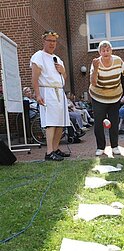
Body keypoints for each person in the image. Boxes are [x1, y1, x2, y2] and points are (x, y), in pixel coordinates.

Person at [89, 40, 124, 156]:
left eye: (108, 50)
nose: (106, 52)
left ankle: (115, 146)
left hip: (114, 96)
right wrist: (95, 68)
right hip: (98, 96)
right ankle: (100, 147)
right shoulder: (96, 63)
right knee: (99, 122)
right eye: (103, 50)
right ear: (99, 52)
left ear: (111, 50)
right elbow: (93, 82)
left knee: (114, 122)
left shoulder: (118, 60)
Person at [30, 30, 70, 161]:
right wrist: (37, 95)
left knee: (60, 123)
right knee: (51, 122)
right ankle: (48, 152)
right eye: (50, 41)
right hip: (47, 91)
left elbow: (63, 78)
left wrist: (63, 71)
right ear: (44, 41)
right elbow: (35, 78)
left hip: (59, 91)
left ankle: (55, 149)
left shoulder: (58, 59)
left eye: (54, 41)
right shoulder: (38, 56)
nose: (52, 44)